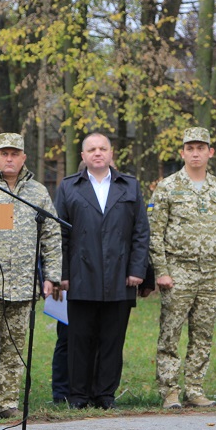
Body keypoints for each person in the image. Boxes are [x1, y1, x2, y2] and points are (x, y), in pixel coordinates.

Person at [0, 133, 61, 420]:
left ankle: (8, 402)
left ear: (23, 158)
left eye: (15, 154)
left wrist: (52, 275)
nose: (9, 158)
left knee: (14, 351)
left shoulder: (37, 192)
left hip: (22, 286)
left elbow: (52, 234)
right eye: (4, 153)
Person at [54, 133, 150, 409]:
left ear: (111, 154)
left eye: (103, 148)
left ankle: (105, 395)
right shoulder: (69, 187)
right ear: (83, 156)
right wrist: (63, 274)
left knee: (112, 339)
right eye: (91, 149)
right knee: (79, 339)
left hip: (120, 276)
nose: (98, 153)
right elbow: (59, 234)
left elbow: (141, 232)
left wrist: (137, 269)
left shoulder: (129, 186)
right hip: (81, 277)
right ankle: (79, 395)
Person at [148, 127, 216, 409]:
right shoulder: (168, 187)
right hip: (178, 270)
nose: (195, 153)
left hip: (211, 272)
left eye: (201, 148)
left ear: (211, 152)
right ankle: (170, 390)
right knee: (171, 333)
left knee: (203, 334)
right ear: (182, 153)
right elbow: (155, 232)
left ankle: (195, 389)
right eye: (190, 148)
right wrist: (161, 270)